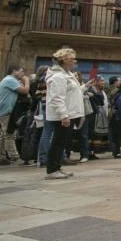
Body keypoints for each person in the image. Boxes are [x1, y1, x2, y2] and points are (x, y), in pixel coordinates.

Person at [44, 48, 81, 179]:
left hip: (69, 113)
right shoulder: (58, 76)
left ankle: (57, 167)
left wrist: (85, 87)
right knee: (57, 142)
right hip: (62, 115)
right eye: (72, 59)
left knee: (61, 142)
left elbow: (72, 92)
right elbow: (57, 97)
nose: (74, 61)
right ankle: (52, 170)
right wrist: (63, 115)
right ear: (64, 60)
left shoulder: (67, 74)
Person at [0, 65, 29, 166]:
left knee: (4, 134)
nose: (23, 74)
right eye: (21, 71)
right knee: (10, 134)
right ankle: (15, 157)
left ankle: (0, 157)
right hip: (7, 111)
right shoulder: (10, 80)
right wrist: (26, 81)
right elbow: (24, 90)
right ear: (14, 71)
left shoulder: (8, 80)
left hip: (4, 111)